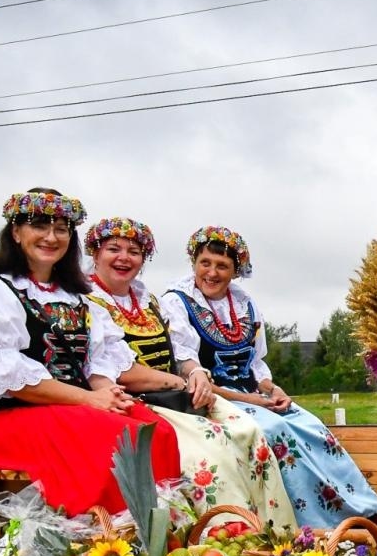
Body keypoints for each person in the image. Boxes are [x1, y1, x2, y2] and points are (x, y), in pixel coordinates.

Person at [0, 188, 181, 515]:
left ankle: (158, 525)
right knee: (117, 437)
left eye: (61, 229)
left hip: (70, 409)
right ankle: (100, 531)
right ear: (16, 233)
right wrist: (90, 400)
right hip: (8, 418)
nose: (51, 237)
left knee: (156, 430)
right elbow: (9, 378)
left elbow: (96, 367)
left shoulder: (78, 297)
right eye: (40, 226)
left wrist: (110, 395)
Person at [160, 226, 377, 530]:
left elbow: (256, 362)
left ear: (236, 271)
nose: (211, 272)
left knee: (311, 425)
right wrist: (254, 399)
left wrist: (273, 389)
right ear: (193, 262)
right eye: (205, 263)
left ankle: (365, 509)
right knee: (275, 430)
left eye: (222, 266)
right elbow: (188, 368)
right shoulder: (177, 302)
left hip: (253, 395)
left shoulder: (244, 304)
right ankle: (314, 523)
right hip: (212, 397)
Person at [83, 217, 297, 531]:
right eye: (114, 249)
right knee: (213, 455)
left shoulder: (146, 300)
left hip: (171, 394)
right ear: (95, 254)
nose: (124, 258)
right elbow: (121, 372)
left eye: (134, 251)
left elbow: (180, 353)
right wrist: (182, 381)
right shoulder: (88, 302)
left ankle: (275, 534)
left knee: (249, 432)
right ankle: (226, 538)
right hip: (136, 399)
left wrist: (195, 371)